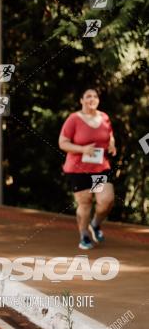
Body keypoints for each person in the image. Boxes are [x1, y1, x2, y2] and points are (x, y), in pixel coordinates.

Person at [59, 88, 116, 250]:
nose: (92, 98)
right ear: (81, 100)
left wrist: (112, 144)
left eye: (95, 96)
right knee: (85, 203)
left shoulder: (104, 117)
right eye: (88, 96)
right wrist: (83, 149)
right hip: (78, 169)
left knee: (106, 199)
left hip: (99, 168)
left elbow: (109, 135)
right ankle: (84, 234)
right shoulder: (74, 119)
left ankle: (95, 224)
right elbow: (63, 143)